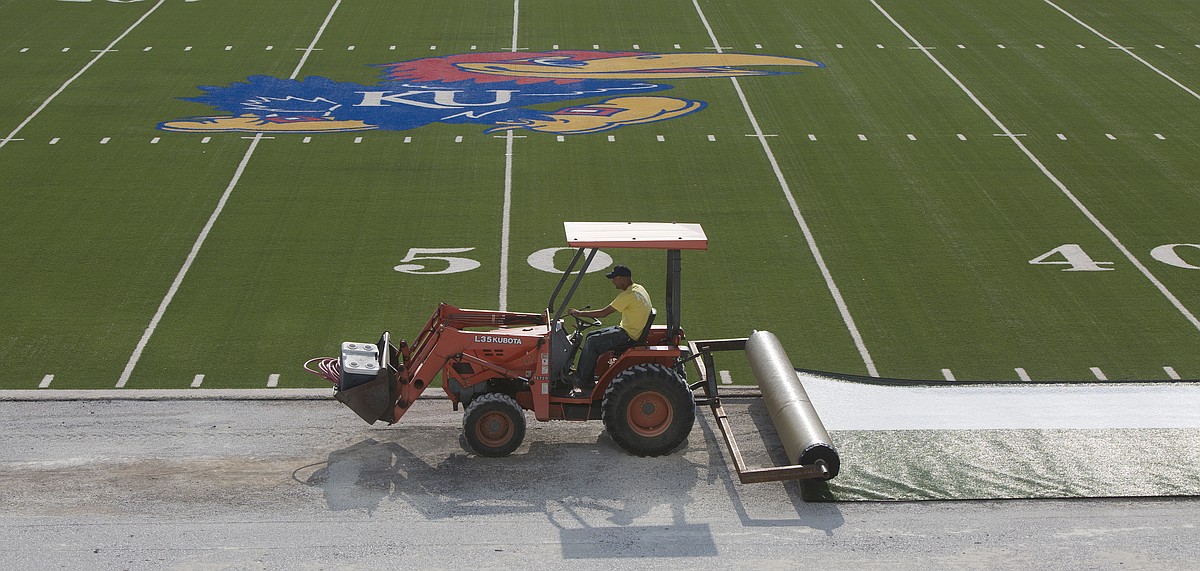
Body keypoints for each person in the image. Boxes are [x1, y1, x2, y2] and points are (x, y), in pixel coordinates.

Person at [565, 265, 653, 396]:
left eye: (614, 279)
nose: (613, 282)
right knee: (590, 335)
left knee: (592, 342)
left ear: (622, 279)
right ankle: (587, 379)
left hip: (627, 335)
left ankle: (581, 379)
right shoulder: (639, 288)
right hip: (630, 330)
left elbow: (603, 313)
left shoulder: (628, 295)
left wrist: (579, 313)